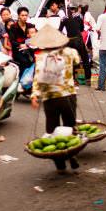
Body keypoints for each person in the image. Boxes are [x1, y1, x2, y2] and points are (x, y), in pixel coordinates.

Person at [29, 25, 81, 172]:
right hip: (68, 96)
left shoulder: (41, 57)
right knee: (70, 127)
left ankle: (60, 164)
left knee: (52, 131)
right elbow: (77, 61)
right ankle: (72, 155)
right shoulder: (70, 52)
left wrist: (34, 95)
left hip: (50, 99)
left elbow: (37, 78)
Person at [60, 4, 91, 84]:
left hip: (70, 41)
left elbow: (59, 30)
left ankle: (73, 79)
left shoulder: (64, 19)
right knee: (85, 59)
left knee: (70, 60)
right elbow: (82, 29)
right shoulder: (79, 17)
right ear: (75, 9)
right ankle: (88, 79)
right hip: (78, 41)